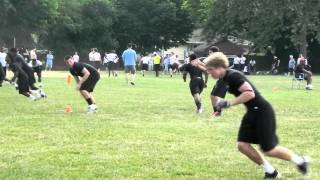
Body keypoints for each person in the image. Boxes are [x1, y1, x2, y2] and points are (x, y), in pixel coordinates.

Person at [194, 52, 310, 179]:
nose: (209, 73)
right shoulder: (225, 76)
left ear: (220, 67)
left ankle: (300, 161)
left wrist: (228, 103)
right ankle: (271, 172)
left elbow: (249, 93)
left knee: (268, 149)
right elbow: (209, 70)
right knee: (242, 145)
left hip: (262, 111)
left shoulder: (233, 76)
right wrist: (199, 64)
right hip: (252, 111)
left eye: (210, 70)